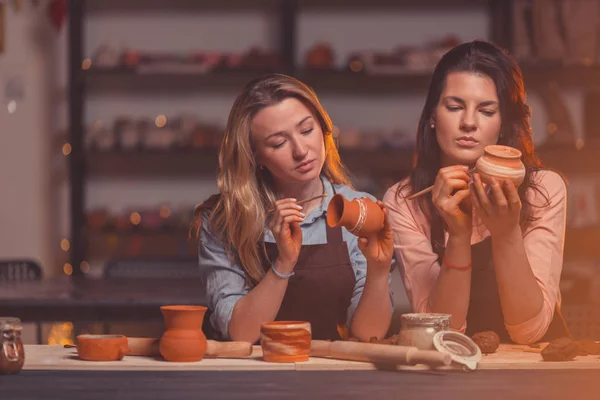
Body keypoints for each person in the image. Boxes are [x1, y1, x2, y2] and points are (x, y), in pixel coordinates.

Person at [383, 40, 568, 345]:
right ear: (432, 115)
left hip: (537, 374)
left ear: (503, 123)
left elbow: (529, 331)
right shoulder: (405, 201)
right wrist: (457, 236)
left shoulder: (543, 190)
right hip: (449, 377)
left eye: (486, 110)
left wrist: (508, 232)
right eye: (454, 107)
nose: (468, 123)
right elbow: (439, 333)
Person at [194, 73, 394, 343]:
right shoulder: (223, 219)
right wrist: (283, 263)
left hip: (331, 375)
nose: (301, 150)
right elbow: (241, 334)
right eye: (278, 143)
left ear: (324, 128)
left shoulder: (358, 211)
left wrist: (379, 271)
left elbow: (368, 334)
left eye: (307, 130)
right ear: (256, 157)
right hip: (248, 379)